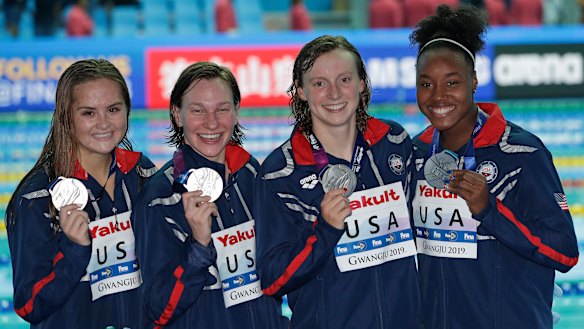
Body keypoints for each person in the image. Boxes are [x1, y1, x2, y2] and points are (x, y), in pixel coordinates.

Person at [409, 4, 579, 329]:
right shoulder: (414, 155)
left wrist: (490, 211)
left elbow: (565, 253)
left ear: (473, 82)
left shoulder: (522, 153)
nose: (438, 96)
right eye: (426, 84)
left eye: (452, 82)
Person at [254, 35, 422, 329]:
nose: (334, 93)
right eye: (319, 83)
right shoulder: (279, 174)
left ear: (361, 84)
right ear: (301, 91)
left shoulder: (393, 143)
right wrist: (326, 231)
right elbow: (272, 280)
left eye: (344, 79)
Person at [132, 62, 288, 328]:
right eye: (197, 110)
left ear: (236, 111)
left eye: (222, 109)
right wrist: (198, 247)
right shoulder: (159, 199)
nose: (212, 122)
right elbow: (156, 311)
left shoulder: (253, 176)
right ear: (177, 115)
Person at [5, 58, 157, 329]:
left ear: (127, 111)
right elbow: (29, 305)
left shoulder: (142, 174)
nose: (104, 123)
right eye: (88, 113)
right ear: (67, 117)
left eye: (113, 109)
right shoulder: (37, 198)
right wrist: (74, 251)